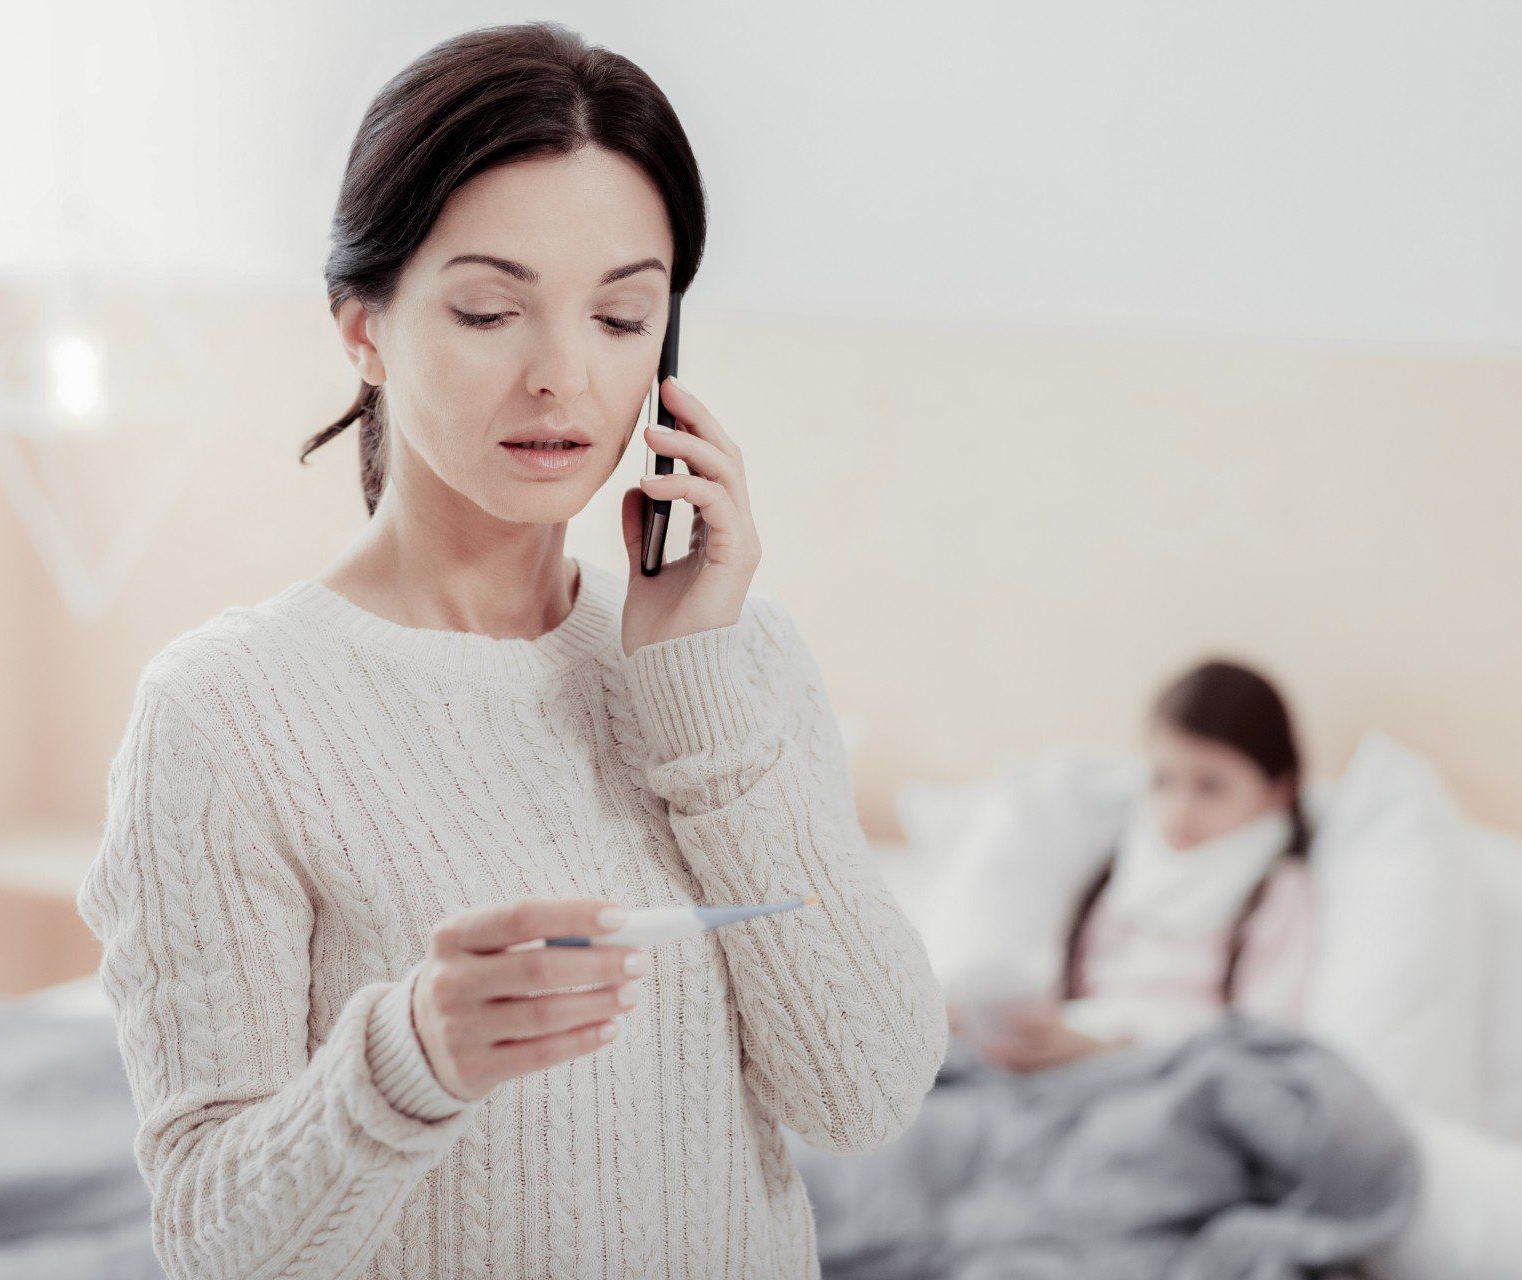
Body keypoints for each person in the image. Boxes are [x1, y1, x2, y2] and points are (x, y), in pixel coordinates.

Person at [73, 21, 946, 1280]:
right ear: (363, 329)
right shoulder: (226, 713)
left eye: (621, 316)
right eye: (490, 309)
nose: (563, 378)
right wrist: (414, 1056)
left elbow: (866, 1094)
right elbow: (215, 1240)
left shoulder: (734, 664)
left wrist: (693, 684)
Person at [977, 658, 1314, 1074]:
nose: (1179, 810)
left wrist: (1120, 1050)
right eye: (1162, 780)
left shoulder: (1278, 894)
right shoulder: (1119, 873)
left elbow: (1266, 1044)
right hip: (1064, 1068)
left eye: (1211, 786)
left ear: (1279, 790)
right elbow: (1065, 990)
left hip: (1171, 1085)